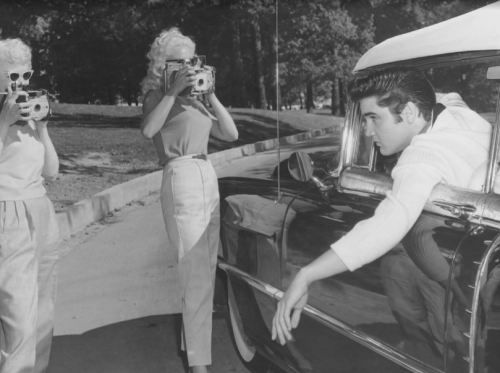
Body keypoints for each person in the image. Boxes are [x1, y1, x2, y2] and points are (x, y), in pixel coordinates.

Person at [272, 67, 492, 345]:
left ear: (410, 113)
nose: (366, 130)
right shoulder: (460, 115)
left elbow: (388, 222)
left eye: (374, 118)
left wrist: (307, 274)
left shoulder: (422, 156)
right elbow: (449, 98)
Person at [140, 28, 238, 373]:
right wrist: (173, 91)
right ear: (161, 65)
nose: (185, 67)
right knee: (194, 274)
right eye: (177, 62)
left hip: (206, 174)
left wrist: (209, 96)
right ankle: (199, 366)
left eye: (190, 61)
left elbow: (230, 133)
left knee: (205, 272)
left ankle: (194, 354)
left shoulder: (196, 100)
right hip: (180, 175)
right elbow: (149, 130)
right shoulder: (156, 95)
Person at [0, 38, 60, 373]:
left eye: (24, 76)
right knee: (18, 317)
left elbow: (51, 172)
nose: (20, 84)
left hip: (40, 209)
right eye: (11, 77)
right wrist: (4, 123)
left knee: (42, 312)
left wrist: (45, 127)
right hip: (7, 212)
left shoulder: (31, 112)